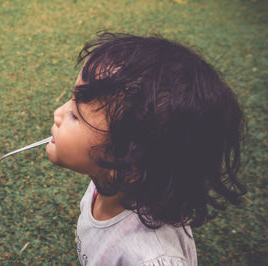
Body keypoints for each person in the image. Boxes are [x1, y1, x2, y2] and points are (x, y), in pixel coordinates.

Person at [46, 32, 246, 265]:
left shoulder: (149, 258)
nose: (58, 114)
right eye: (71, 100)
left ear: (129, 164)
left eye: (75, 115)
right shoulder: (107, 180)